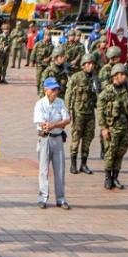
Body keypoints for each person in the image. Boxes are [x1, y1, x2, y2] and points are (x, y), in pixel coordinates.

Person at [34, 77, 71, 209]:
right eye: (53, 89)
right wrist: (54, 124)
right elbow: (42, 125)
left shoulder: (60, 102)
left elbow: (67, 119)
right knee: (43, 170)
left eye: (57, 89)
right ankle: (42, 197)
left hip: (58, 139)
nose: (55, 92)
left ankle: (60, 198)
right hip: (45, 139)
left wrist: (54, 124)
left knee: (60, 170)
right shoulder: (40, 104)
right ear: (46, 90)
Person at [98, 63, 128, 190]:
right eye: (122, 75)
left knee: (120, 153)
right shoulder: (106, 93)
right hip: (112, 128)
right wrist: (103, 128)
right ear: (115, 76)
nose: (124, 77)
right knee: (110, 153)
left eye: (125, 75)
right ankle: (108, 178)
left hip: (125, 128)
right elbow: (100, 111)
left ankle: (115, 177)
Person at [64, 53, 99, 175]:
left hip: (90, 113)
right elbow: (68, 94)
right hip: (78, 112)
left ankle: (84, 164)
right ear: (83, 65)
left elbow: (98, 97)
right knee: (76, 139)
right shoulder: (76, 77)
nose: (90, 66)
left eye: (92, 64)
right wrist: (68, 111)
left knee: (88, 139)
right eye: (88, 64)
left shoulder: (95, 79)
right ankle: (73, 164)